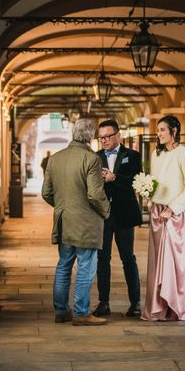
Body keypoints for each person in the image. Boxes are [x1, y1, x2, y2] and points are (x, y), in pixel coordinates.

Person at [42, 118, 111, 326]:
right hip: (86, 223)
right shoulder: (91, 159)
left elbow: (46, 193)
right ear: (90, 137)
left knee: (63, 265)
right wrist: (106, 211)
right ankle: (81, 313)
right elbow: (95, 194)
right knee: (85, 267)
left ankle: (62, 311)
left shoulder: (55, 158)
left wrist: (63, 206)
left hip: (64, 221)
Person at [142, 115, 185, 321]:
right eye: (158, 130)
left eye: (162, 130)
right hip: (157, 213)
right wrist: (150, 196)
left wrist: (173, 209)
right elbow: (155, 182)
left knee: (173, 262)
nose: (158, 134)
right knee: (156, 262)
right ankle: (157, 308)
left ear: (174, 131)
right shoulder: (156, 154)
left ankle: (174, 307)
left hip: (173, 216)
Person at [92, 120, 142, 318]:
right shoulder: (94, 158)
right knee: (102, 259)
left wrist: (115, 178)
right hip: (102, 215)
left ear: (117, 135)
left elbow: (136, 182)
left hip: (124, 213)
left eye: (107, 136)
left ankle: (135, 303)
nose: (103, 140)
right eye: (101, 137)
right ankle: (103, 302)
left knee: (128, 258)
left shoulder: (133, 156)